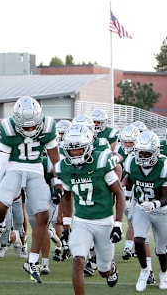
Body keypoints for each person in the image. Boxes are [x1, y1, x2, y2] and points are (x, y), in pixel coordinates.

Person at [0, 96, 60, 283]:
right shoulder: (8, 127)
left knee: (43, 215)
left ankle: (32, 261)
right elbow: (1, 164)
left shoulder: (47, 126)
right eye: (25, 127)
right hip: (14, 166)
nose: (29, 130)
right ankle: (0, 225)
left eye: (33, 126)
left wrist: (59, 181)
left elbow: (55, 159)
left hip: (35, 168)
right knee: (2, 203)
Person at [55, 123, 124, 295]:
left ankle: (111, 270)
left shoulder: (101, 161)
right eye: (71, 150)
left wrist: (117, 224)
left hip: (104, 222)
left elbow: (120, 194)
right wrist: (66, 224)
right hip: (82, 222)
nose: (75, 153)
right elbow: (67, 197)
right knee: (78, 261)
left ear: (87, 147)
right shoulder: (64, 167)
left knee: (103, 270)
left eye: (79, 149)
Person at [124, 130, 167, 292]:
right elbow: (130, 181)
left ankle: (164, 273)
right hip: (142, 208)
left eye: (146, 153)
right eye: (140, 152)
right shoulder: (132, 162)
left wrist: (155, 204)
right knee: (139, 241)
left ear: (155, 151)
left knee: (161, 249)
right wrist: (128, 199)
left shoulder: (164, 165)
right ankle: (144, 271)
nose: (142, 156)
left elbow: (166, 195)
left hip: (162, 210)